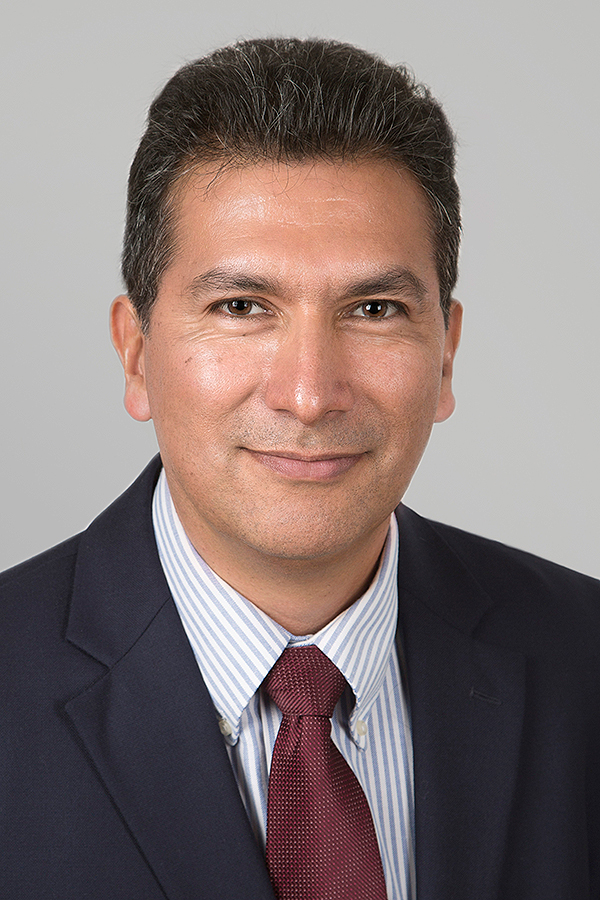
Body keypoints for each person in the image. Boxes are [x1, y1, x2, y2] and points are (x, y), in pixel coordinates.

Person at [1, 37, 599, 900]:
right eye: (242, 306)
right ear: (136, 355)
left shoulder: (582, 660)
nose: (310, 395)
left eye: (374, 308)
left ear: (445, 357)